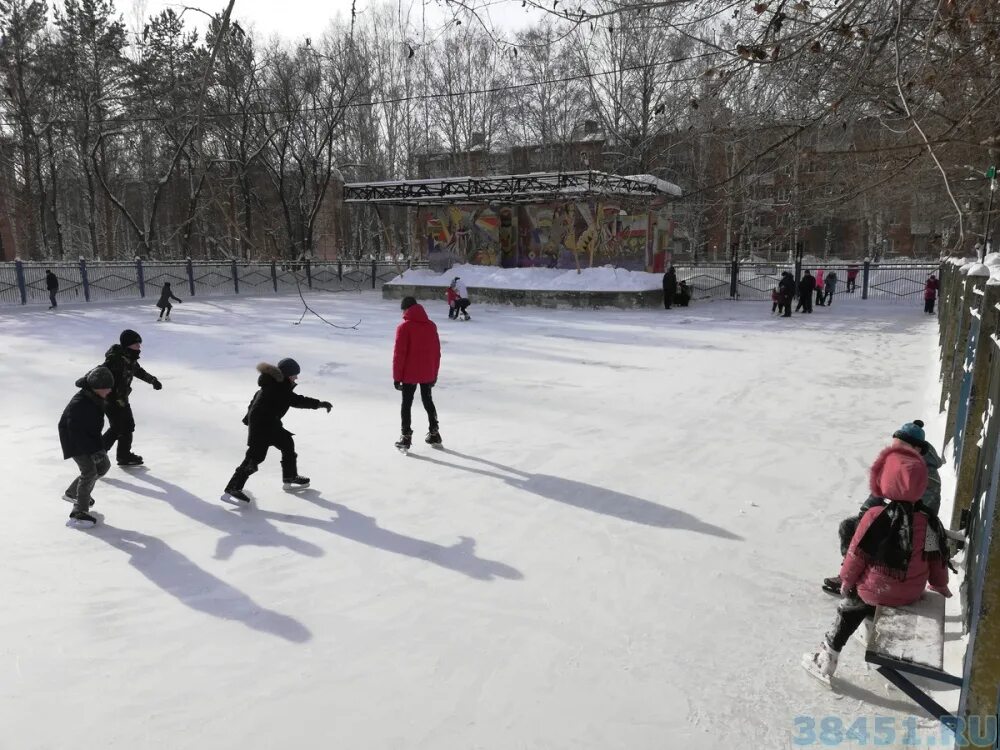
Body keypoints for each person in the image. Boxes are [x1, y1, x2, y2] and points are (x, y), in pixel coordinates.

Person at [803, 428, 952, 682]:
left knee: (853, 602)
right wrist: (940, 584)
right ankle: (873, 623)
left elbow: (856, 555)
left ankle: (828, 655)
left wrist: (846, 581)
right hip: (911, 593)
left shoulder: (876, 517)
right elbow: (936, 559)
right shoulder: (929, 522)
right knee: (878, 587)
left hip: (878, 592)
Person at [821, 421, 945, 594]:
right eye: (894, 446)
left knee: (872, 534)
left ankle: (860, 579)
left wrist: (882, 517)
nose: (895, 450)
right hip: (888, 517)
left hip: (910, 528)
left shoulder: (926, 474)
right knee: (850, 527)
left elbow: (922, 509)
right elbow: (879, 491)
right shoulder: (895, 463)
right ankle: (853, 575)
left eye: (901, 446)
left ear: (917, 449)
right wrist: (866, 513)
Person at [223, 359, 332, 503]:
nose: (296, 377)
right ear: (287, 374)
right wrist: (320, 404)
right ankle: (233, 487)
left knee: (287, 443)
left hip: (270, 425)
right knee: (254, 458)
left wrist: (247, 420)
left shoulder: (272, 385)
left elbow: (254, 401)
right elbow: (298, 401)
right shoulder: (279, 388)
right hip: (263, 428)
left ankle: (290, 477)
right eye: (294, 374)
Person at [59, 366, 115, 528]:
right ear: (97, 388)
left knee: (103, 465)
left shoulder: (94, 396)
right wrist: (91, 452)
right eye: (106, 389)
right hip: (75, 441)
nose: (109, 391)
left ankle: (73, 493)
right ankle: (80, 511)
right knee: (89, 471)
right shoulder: (80, 404)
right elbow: (75, 431)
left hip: (89, 439)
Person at [101, 329, 163, 467]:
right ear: (128, 345)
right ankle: (97, 456)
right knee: (116, 429)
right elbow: (100, 373)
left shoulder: (130, 358)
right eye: (136, 344)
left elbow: (138, 371)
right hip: (111, 401)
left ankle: (124, 455)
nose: (139, 347)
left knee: (128, 427)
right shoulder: (115, 359)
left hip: (123, 400)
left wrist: (153, 380)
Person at [393, 296, 442, 451]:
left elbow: (399, 355)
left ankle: (406, 436)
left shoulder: (404, 327)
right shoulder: (431, 326)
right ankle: (434, 432)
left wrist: (397, 377)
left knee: (406, 403)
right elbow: (436, 352)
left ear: (406, 309)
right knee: (428, 400)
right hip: (427, 372)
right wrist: (434, 373)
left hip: (409, 373)